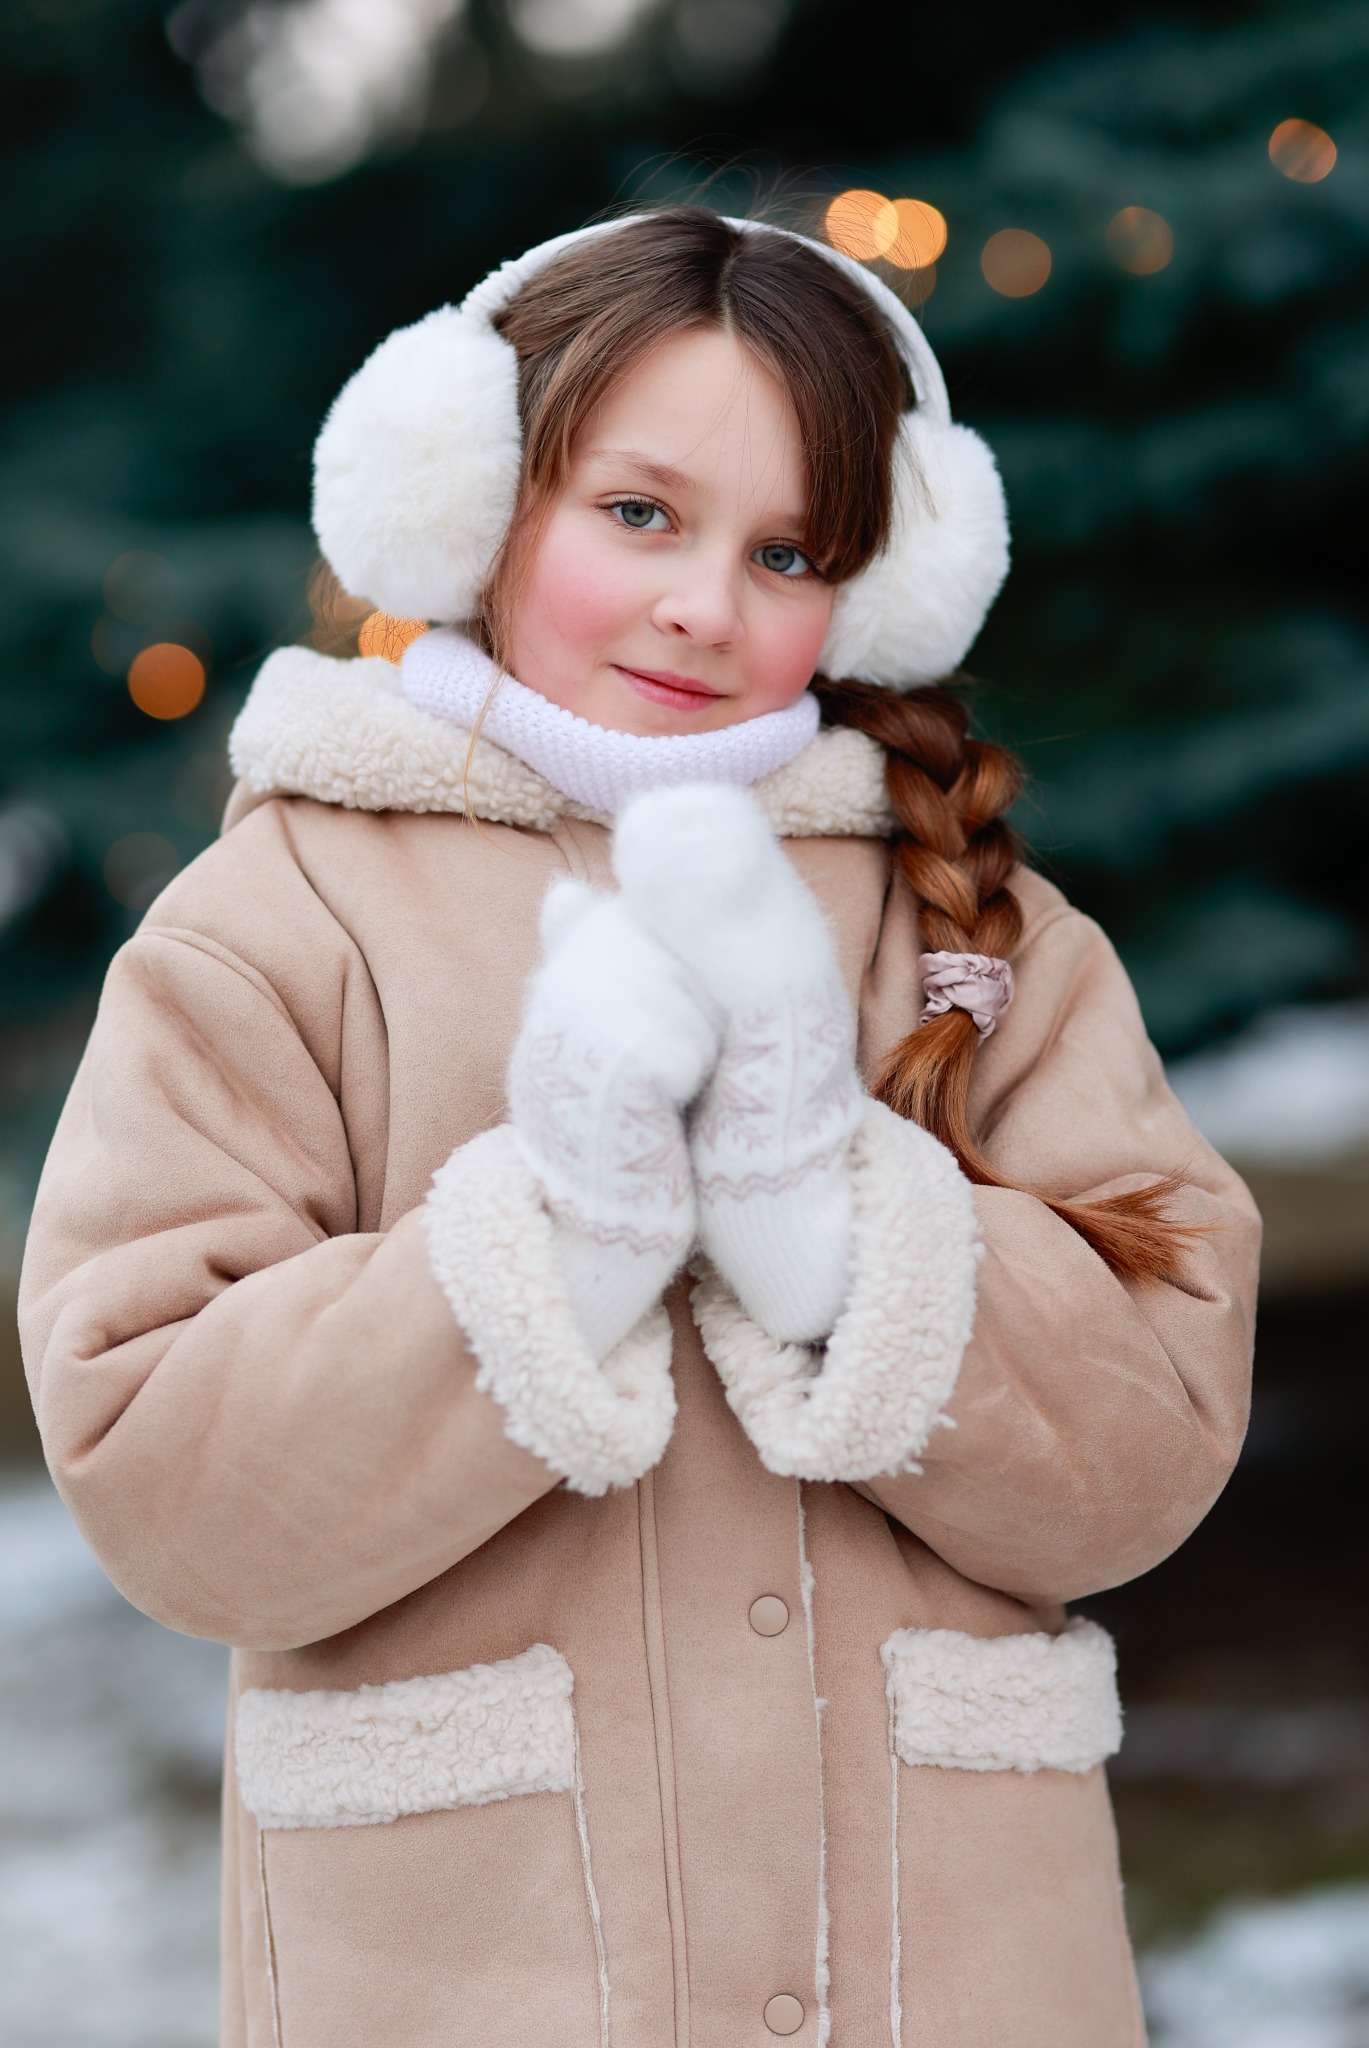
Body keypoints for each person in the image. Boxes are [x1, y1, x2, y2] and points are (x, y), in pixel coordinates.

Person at [19, 208, 1258, 2048]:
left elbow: (1152, 1441)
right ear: (469, 498)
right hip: (479, 1974)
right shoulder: (275, 925)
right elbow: (162, 1474)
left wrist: (830, 1221)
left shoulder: (985, 942)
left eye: (788, 551)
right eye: (637, 513)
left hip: (950, 1977)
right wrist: (556, 1235)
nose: (705, 606)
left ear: (883, 586)